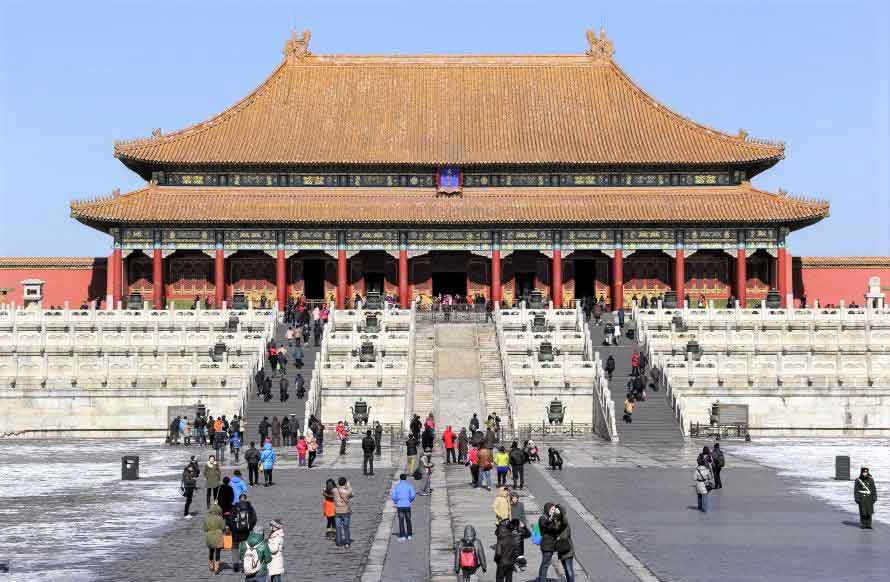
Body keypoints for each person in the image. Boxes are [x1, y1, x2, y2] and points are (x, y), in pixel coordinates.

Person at [538, 503, 575, 582]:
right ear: (547, 510)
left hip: (552, 546)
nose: (553, 511)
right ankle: (541, 579)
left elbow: (562, 522)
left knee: (545, 564)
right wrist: (551, 518)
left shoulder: (556, 520)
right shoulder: (543, 518)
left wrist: (558, 512)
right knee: (545, 565)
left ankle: (541, 579)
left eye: (554, 510)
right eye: (552, 509)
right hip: (547, 545)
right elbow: (546, 525)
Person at [230, 493, 258, 574]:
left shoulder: (235, 507)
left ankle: (235, 565)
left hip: (236, 533)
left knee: (235, 548)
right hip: (246, 533)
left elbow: (230, 519)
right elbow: (254, 518)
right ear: (245, 499)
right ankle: (244, 565)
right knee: (245, 549)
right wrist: (250, 527)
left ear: (239, 499)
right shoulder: (249, 507)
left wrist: (234, 528)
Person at [391, 473, 417, 541]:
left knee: (401, 520)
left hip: (400, 505)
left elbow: (393, 496)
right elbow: (413, 495)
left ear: (400, 478)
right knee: (408, 520)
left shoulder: (397, 486)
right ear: (406, 478)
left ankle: (402, 535)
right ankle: (409, 535)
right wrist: (410, 500)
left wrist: (396, 501)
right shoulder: (409, 486)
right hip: (407, 505)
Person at [203, 502, 226, 574]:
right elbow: (223, 528)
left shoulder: (207, 518)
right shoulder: (220, 518)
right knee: (218, 552)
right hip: (218, 536)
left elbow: (205, 528)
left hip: (210, 536)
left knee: (211, 551)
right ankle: (216, 567)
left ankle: (211, 565)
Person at [333, 477, 354, 548]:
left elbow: (325, 490)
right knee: (346, 527)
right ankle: (347, 542)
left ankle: (339, 542)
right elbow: (352, 494)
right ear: (345, 483)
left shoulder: (334, 490)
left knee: (338, 527)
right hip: (345, 511)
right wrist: (348, 485)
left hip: (337, 512)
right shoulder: (347, 491)